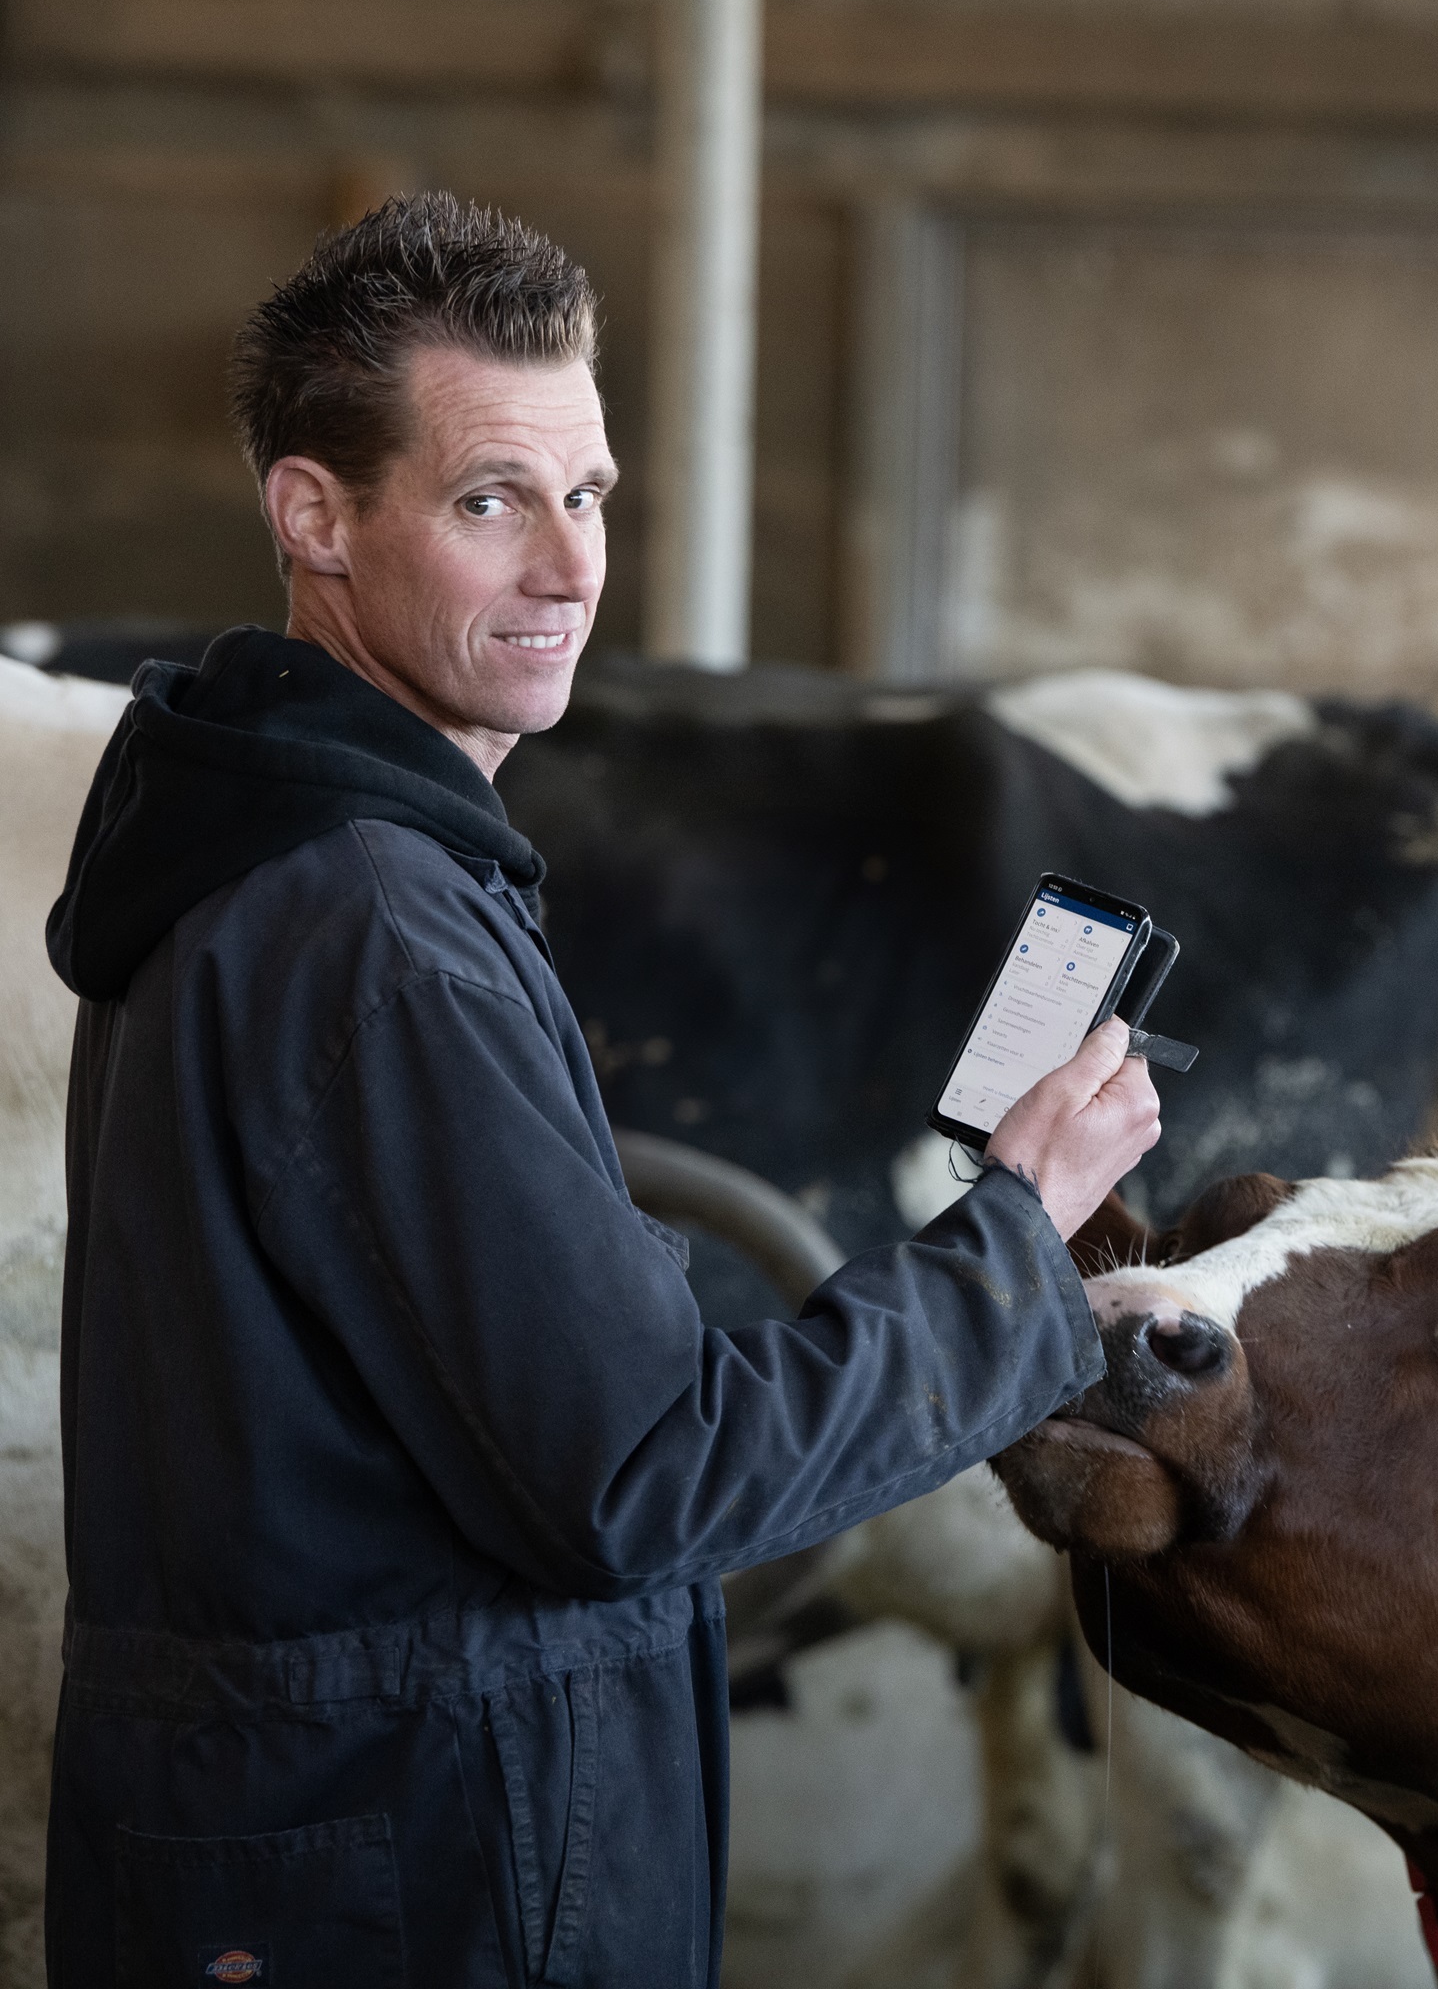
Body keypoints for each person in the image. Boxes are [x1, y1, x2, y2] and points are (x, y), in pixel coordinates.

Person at [41, 193, 1159, 1984]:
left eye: (592, 496)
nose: (571, 569)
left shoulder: (281, 859)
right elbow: (648, 1475)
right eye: (491, 501)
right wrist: (1016, 1240)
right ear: (313, 517)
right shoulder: (373, 931)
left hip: (323, 1848)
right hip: (423, 1880)